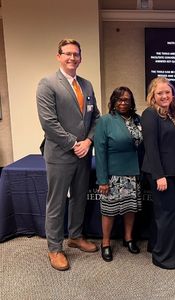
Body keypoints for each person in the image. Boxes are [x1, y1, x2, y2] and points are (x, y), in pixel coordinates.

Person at [36, 39, 100, 271]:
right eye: (67, 54)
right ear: (59, 56)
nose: (72, 58)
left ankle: (75, 236)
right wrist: (75, 144)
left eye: (76, 54)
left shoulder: (87, 85)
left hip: (84, 152)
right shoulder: (47, 83)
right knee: (56, 202)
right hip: (60, 154)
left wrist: (89, 141)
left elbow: (96, 118)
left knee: (80, 197)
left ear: (81, 57)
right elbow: (49, 123)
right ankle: (54, 248)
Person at [141, 77, 175, 270]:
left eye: (167, 92)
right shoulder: (150, 114)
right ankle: (164, 258)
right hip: (160, 173)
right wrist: (159, 175)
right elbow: (150, 147)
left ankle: (156, 246)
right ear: (153, 96)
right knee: (168, 214)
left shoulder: (171, 114)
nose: (164, 96)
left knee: (162, 213)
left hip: (173, 172)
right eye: (159, 93)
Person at [94, 87, 143, 262]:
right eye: (119, 99)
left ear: (131, 102)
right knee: (109, 211)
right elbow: (99, 152)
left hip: (133, 172)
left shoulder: (138, 119)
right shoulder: (105, 121)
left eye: (126, 100)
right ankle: (105, 243)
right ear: (113, 101)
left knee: (130, 209)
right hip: (112, 175)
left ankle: (128, 238)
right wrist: (102, 179)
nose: (123, 103)